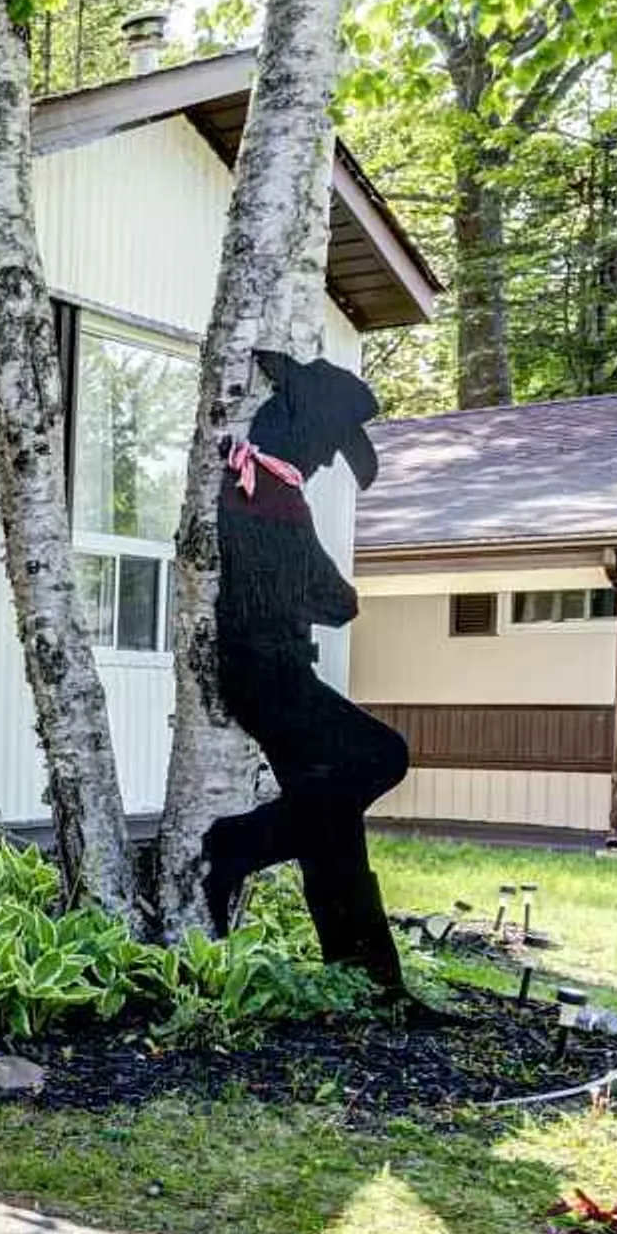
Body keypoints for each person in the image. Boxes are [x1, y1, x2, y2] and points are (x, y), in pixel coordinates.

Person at [200, 349, 412, 995]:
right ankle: (236, 843)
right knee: (381, 755)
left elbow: (323, 595)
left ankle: (368, 978)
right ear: (302, 433)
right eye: (325, 449)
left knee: (332, 816)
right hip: (267, 675)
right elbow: (333, 599)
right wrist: (323, 594)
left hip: (272, 669)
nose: (323, 463)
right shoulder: (268, 495)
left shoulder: (269, 490)